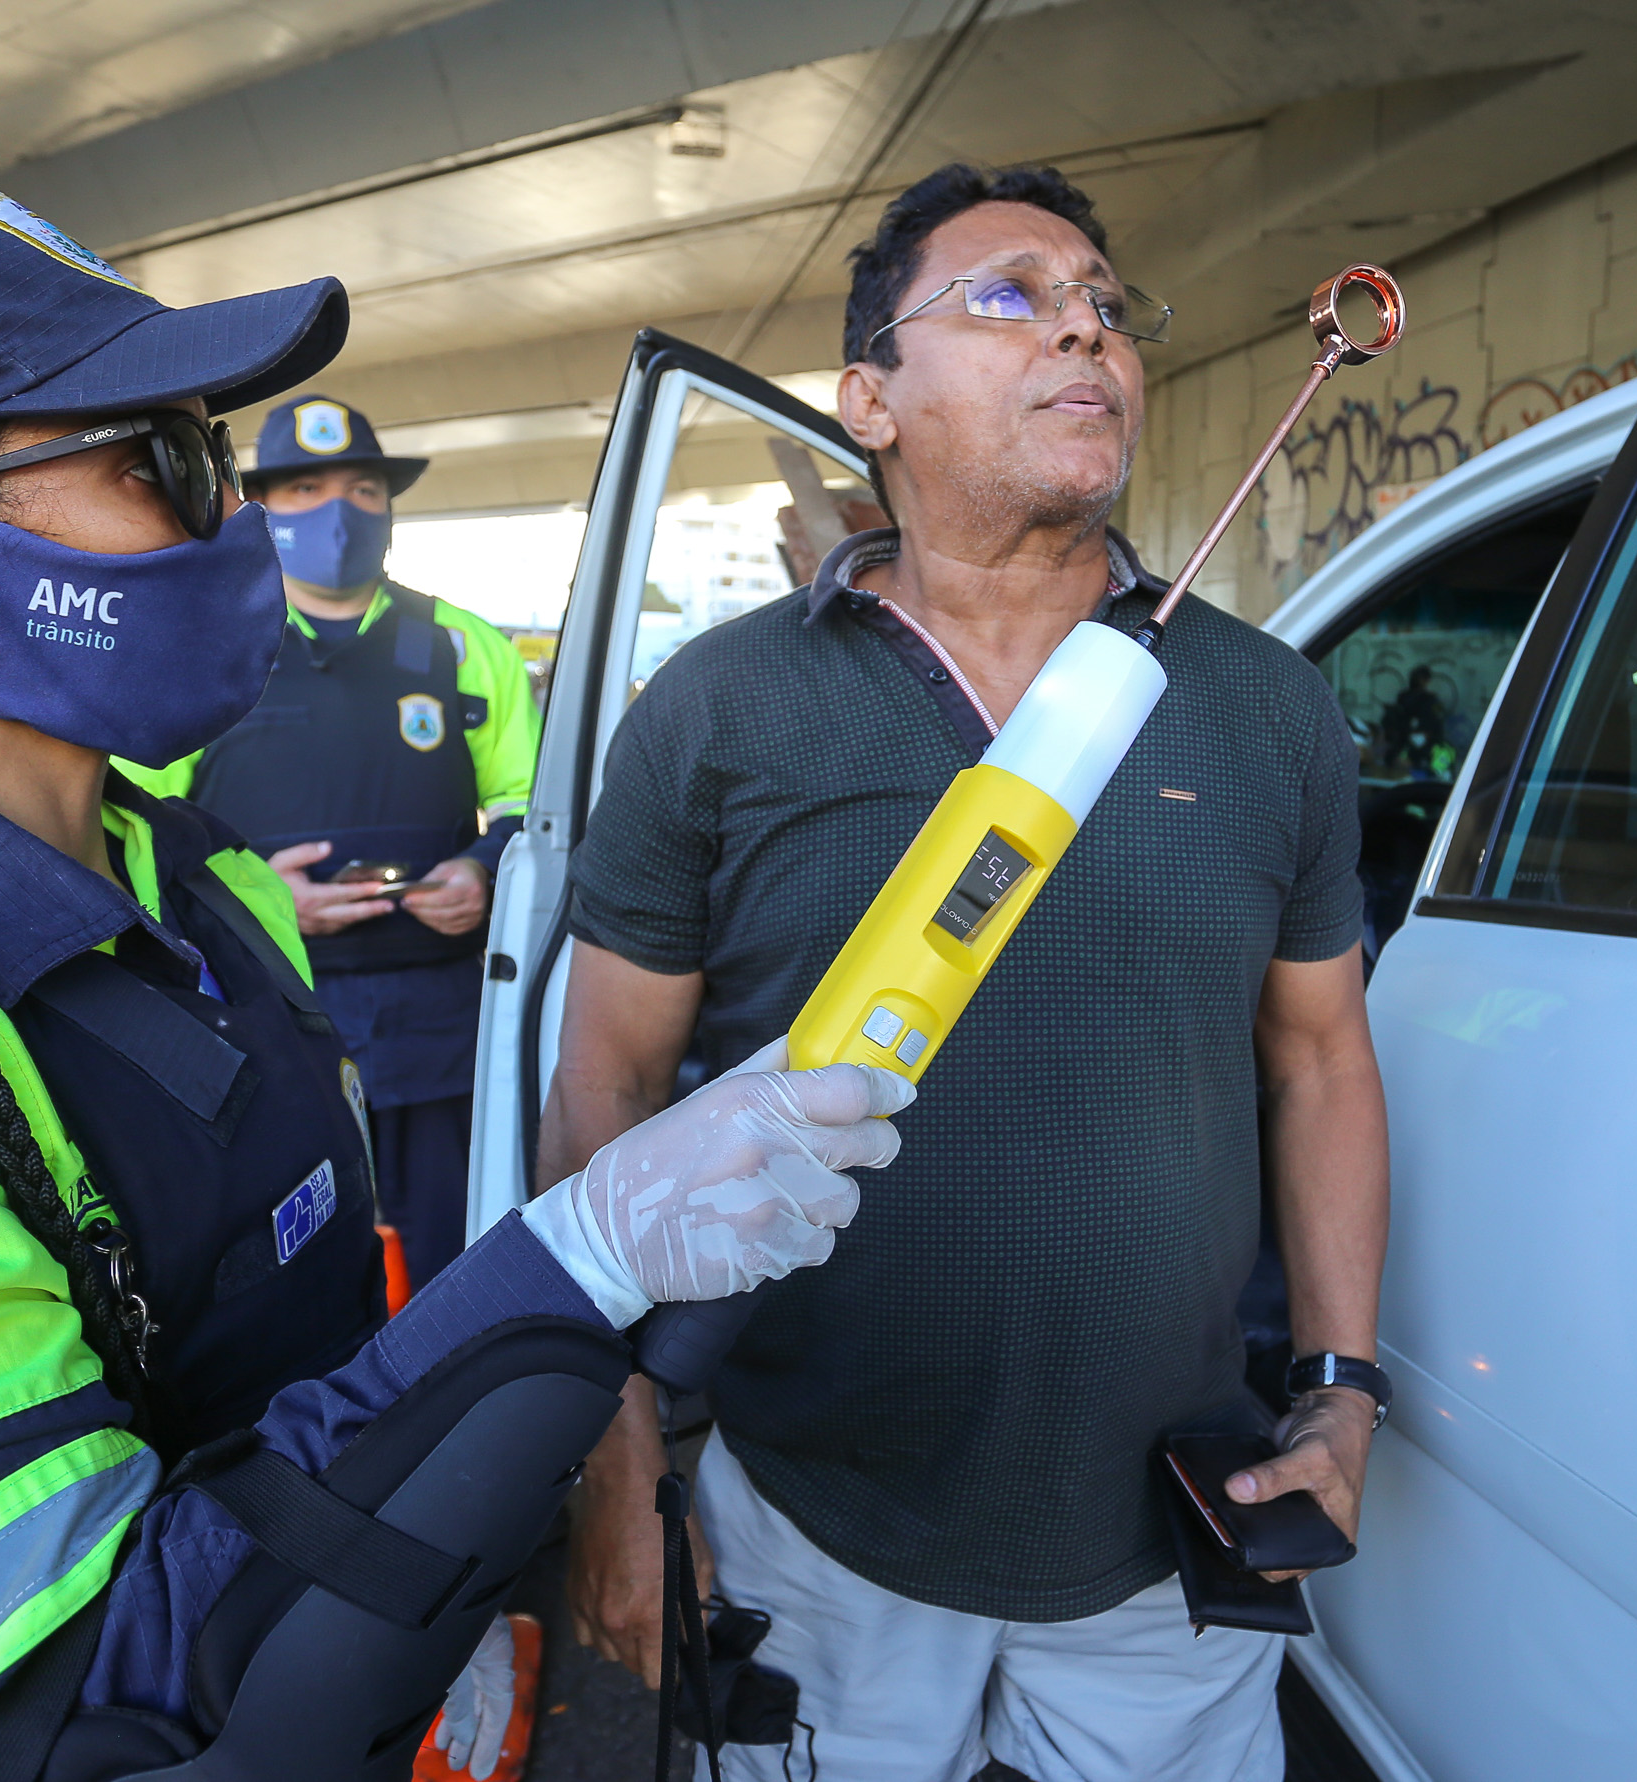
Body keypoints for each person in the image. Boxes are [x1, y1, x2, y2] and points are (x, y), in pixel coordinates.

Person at [0, 176, 910, 1781]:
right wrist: (566, 1270)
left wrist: (415, 1611)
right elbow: (72, 1704)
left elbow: (295, 1374)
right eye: (160, 465)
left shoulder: (201, 873)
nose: (241, 524)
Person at [552, 163, 1392, 1780]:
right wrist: (616, 1469)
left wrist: (1343, 1389)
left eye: (1104, 302)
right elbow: (608, 1087)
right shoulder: (720, 712)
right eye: (1008, 295)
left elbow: (1323, 1061)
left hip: (1171, 1522)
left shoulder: (1264, 706)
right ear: (871, 398)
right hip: (813, 1509)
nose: (1085, 323)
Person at [117, 394, 539, 1286]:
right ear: (260, 506)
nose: (338, 512)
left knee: (454, 1263)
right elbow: (129, 833)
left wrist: (483, 869)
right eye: (305, 489)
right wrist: (264, 905)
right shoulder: (205, 652)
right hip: (269, 1023)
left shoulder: (465, 648)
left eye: (361, 489)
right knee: (297, 1276)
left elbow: (529, 804)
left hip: (442, 1027)